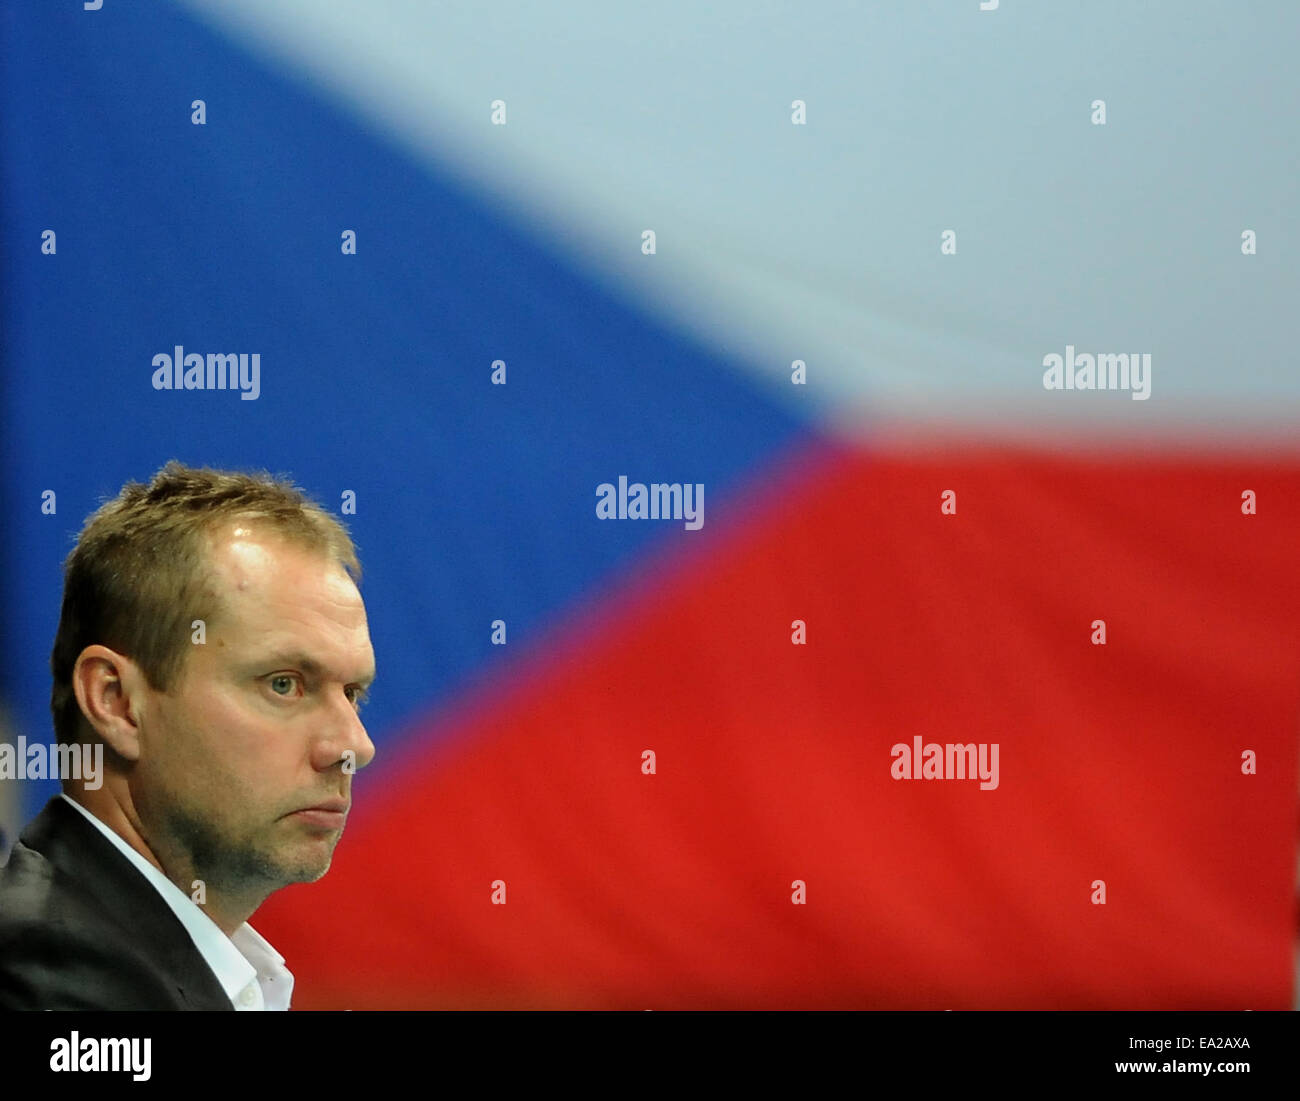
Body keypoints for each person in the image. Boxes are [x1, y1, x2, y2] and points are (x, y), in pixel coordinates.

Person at [0, 460, 376, 1009]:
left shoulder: (174, 970)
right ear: (117, 702)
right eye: (284, 684)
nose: (353, 747)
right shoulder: (45, 984)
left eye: (352, 694)